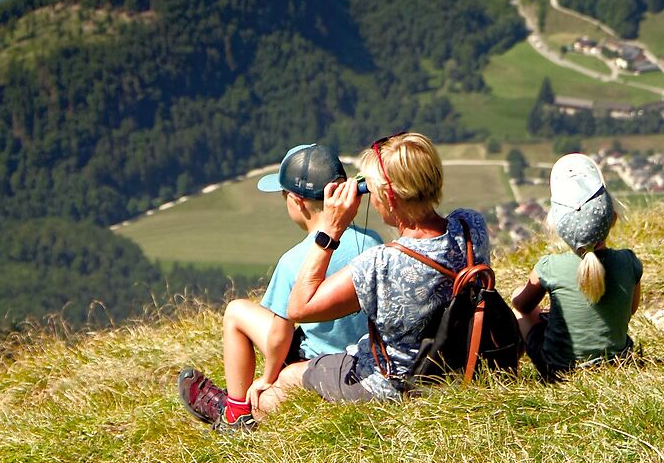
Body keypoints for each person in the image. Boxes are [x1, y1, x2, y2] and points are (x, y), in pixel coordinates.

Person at [187, 129, 491, 421]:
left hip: (394, 383)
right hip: (452, 360)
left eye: (370, 188)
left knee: (281, 385)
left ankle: (236, 417)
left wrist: (331, 231)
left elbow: (299, 308)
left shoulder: (381, 263)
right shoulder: (469, 226)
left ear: (390, 198)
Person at [177, 141, 380, 430]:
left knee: (236, 312)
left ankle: (234, 411)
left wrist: (268, 378)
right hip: (362, 357)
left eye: (284, 195)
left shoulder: (294, 261)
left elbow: (278, 336)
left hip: (315, 363)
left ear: (296, 201)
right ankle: (234, 407)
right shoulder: (372, 241)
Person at [511, 153, 642, 379]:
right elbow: (629, 309)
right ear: (613, 219)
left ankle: (512, 371)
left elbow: (522, 306)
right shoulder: (629, 261)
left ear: (558, 227)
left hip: (559, 371)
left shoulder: (549, 267)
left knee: (518, 305)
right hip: (620, 365)